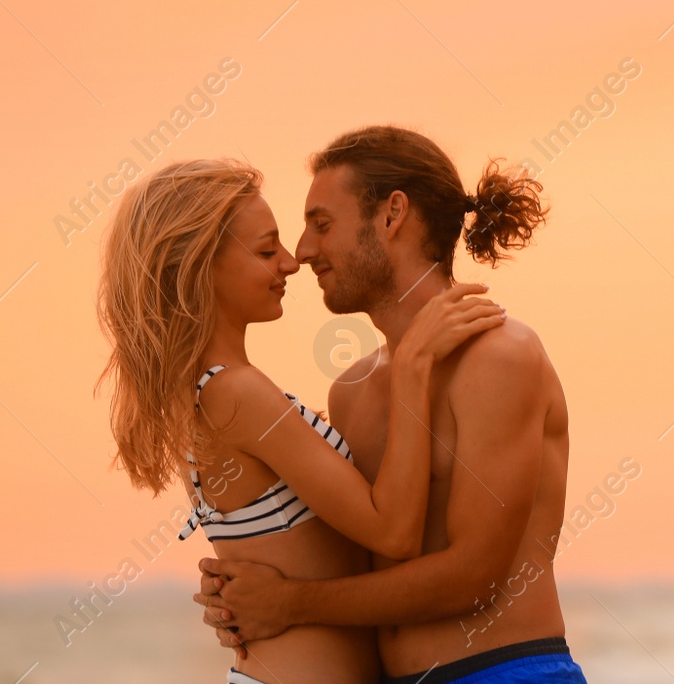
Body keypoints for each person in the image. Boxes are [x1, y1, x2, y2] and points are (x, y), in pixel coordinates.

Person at [196, 126, 587, 684]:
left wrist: (292, 604)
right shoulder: (352, 391)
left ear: (392, 215)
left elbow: (473, 577)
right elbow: (364, 554)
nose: (304, 252)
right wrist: (239, 586)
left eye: (322, 225)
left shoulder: (500, 357)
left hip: (503, 672)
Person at [96, 157, 507, 684]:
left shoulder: (212, 392)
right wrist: (413, 365)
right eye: (267, 250)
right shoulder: (239, 393)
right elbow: (394, 532)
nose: (291, 263)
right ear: (201, 268)